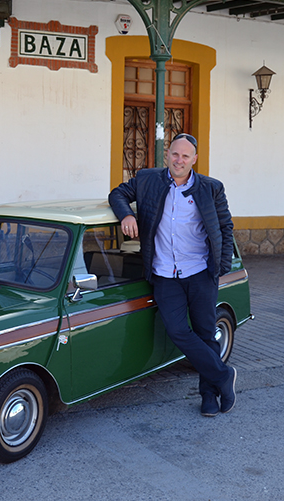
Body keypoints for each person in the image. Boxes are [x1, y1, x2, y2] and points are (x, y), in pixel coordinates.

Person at [108, 133, 237, 417]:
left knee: (206, 333)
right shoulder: (147, 179)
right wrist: (126, 215)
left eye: (185, 156)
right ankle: (223, 375)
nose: (179, 160)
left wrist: (220, 268)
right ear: (168, 154)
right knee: (178, 330)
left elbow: (225, 227)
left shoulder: (211, 188)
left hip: (200, 272)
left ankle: (208, 396)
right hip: (165, 273)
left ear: (195, 160)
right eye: (175, 154)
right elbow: (117, 194)